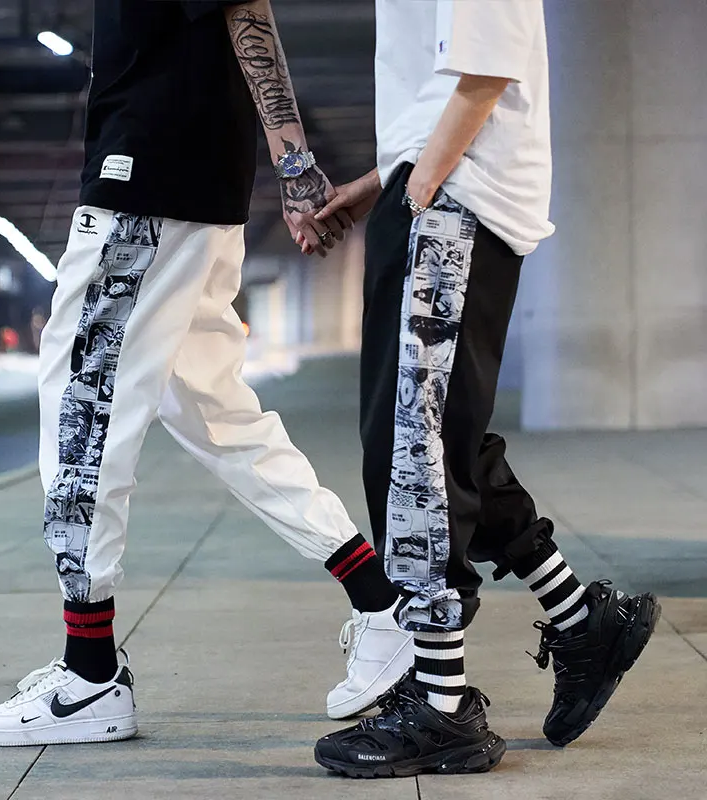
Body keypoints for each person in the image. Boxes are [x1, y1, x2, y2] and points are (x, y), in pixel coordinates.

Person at [0, 0, 408, 748]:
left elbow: (246, 7)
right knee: (217, 414)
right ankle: (379, 602)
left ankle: (90, 674)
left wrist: (296, 167)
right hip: (186, 184)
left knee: (81, 413)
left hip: (148, 180)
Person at [307, 0, 661, 778]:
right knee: (442, 437)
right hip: (443, 187)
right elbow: (449, 82)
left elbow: (487, 70)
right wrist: (387, 180)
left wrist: (419, 190)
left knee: (413, 451)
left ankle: (442, 708)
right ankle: (580, 619)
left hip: (454, 200)